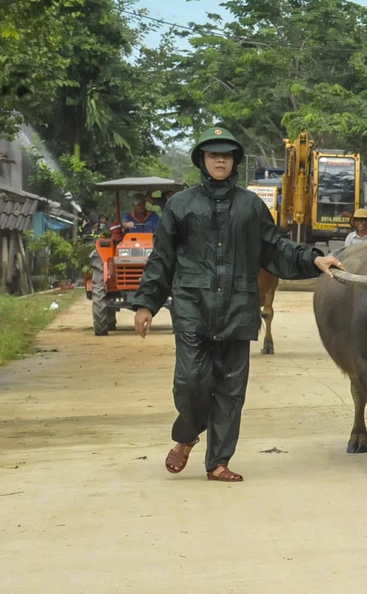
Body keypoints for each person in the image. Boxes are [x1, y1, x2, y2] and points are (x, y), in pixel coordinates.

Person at [131, 127, 344, 483]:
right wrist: (146, 303)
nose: (219, 160)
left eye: (226, 155)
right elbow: (162, 259)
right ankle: (187, 435)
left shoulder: (250, 206)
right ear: (202, 160)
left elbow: (275, 247)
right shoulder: (180, 205)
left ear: (234, 162)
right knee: (190, 381)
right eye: (213, 155)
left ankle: (218, 462)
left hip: (237, 307)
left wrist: (314, 260)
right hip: (192, 306)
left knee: (230, 389)